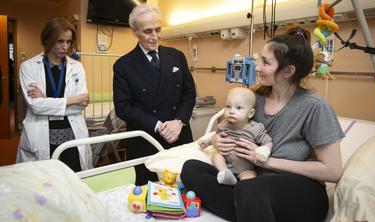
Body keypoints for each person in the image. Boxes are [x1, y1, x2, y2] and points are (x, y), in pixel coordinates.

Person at [181, 26, 344, 222]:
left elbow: (333, 171)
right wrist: (216, 140)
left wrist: (268, 162)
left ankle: (246, 203)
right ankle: (248, 207)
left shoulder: (314, 107)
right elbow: (229, 128)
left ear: (288, 71)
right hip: (255, 183)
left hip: (302, 191)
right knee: (190, 169)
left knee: (249, 189)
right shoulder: (254, 100)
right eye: (259, 59)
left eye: (265, 62)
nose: (257, 66)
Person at [113, 3, 196, 185]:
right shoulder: (124, 65)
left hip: (179, 134)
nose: (154, 37)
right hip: (146, 139)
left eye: (158, 30)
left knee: (186, 187)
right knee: (149, 192)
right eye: (147, 31)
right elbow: (123, 108)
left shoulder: (176, 56)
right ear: (134, 32)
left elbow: (189, 93)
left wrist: (179, 121)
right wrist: (158, 125)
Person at [17, 17, 92, 172]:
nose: (65, 47)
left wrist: (46, 100)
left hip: (72, 137)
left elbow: (80, 106)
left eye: (69, 41)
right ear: (48, 40)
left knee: (73, 180)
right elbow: (35, 107)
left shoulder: (76, 67)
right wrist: (71, 100)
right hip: (42, 137)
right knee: (44, 183)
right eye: (60, 41)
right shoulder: (29, 67)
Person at [198, 87, 272, 185]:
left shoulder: (255, 128)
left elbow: (268, 142)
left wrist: (264, 151)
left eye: (238, 108)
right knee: (216, 156)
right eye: (228, 106)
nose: (231, 111)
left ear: (250, 113)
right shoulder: (224, 124)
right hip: (225, 164)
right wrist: (208, 141)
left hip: (245, 169)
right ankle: (225, 173)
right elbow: (217, 135)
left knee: (250, 178)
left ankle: (239, 188)